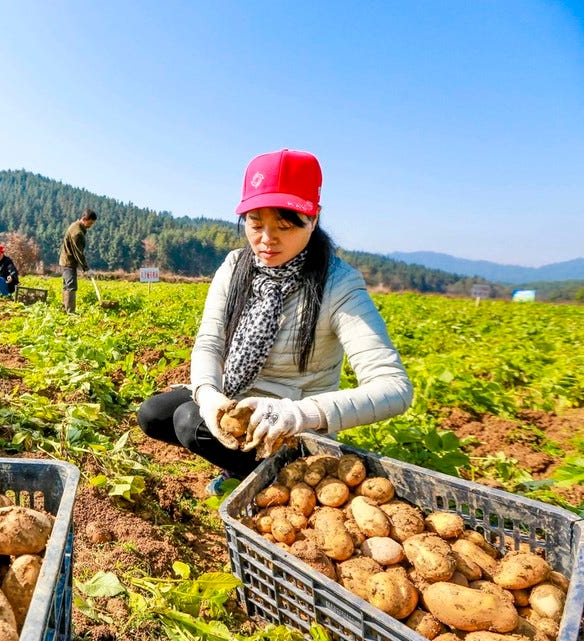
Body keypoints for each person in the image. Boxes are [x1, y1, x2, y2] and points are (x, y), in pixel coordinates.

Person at [136, 149, 413, 494]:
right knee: (154, 414)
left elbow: (394, 388)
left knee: (188, 423)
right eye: (255, 223)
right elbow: (209, 342)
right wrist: (209, 395)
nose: (267, 240)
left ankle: (271, 475)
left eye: (285, 225)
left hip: (291, 422)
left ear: (314, 218)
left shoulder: (338, 285)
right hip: (238, 400)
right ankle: (244, 464)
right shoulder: (236, 266)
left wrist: (298, 414)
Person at [58, 209, 97, 313]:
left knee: (67, 286)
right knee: (71, 286)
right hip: (68, 262)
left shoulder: (77, 226)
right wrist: (86, 269)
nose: (91, 226)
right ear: (84, 219)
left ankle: (64, 310)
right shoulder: (77, 233)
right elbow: (78, 253)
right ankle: (70, 312)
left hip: (67, 261)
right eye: (90, 223)